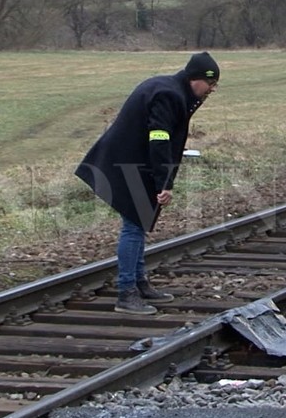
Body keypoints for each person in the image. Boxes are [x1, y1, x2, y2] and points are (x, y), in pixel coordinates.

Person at [75, 52, 219, 315]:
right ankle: (126, 292)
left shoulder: (171, 89)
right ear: (196, 79)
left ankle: (139, 283)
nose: (212, 90)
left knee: (138, 224)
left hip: (132, 162)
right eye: (211, 84)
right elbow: (159, 139)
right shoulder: (170, 95)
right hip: (125, 164)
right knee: (133, 226)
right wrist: (164, 181)